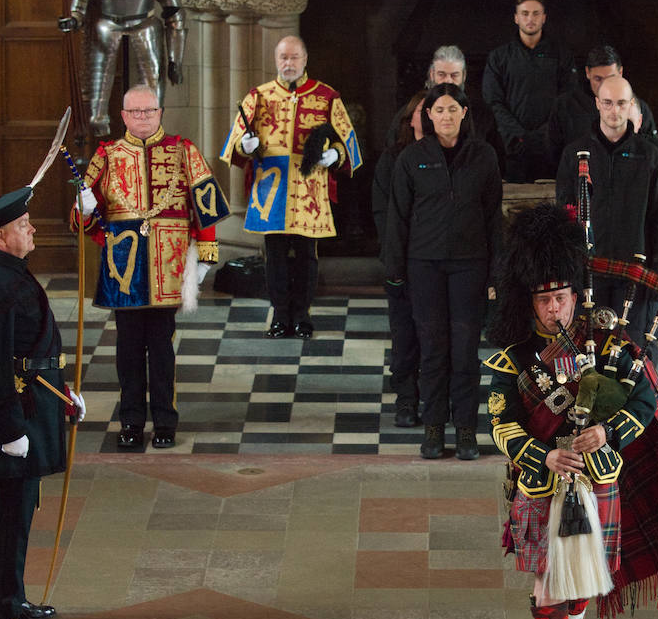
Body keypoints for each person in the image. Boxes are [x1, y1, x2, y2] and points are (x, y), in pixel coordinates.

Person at [485, 204, 658, 619]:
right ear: (530, 301)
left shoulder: (607, 343)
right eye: (543, 300)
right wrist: (542, 455)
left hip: (596, 477)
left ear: (575, 296)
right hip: (541, 481)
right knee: (547, 582)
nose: (553, 310)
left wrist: (609, 433)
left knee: (584, 574)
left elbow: (645, 400)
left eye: (560, 298)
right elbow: (500, 423)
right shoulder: (512, 358)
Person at [74, 85, 229, 450]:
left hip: (169, 264)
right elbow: (86, 220)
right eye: (135, 112)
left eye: (149, 111)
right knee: (128, 351)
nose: (142, 117)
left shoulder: (183, 150)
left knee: (161, 349)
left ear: (160, 112)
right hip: (124, 267)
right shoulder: (106, 155)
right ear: (123, 116)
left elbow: (204, 206)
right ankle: (130, 422)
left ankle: (165, 422)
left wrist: (205, 256)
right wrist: (83, 207)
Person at [0, 187, 85, 619]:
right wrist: (8, 430)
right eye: (22, 225)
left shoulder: (10, 272)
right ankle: (2, 610)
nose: (32, 229)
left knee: (20, 512)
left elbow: (33, 347)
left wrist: (63, 392)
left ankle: (14, 597)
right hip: (12, 415)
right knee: (11, 515)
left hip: (34, 401)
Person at [384, 83, 502, 461]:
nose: (446, 116)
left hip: (470, 265)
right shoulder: (411, 159)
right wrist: (395, 271)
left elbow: (493, 219)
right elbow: (397, 219)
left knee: (465, 351)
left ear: (464, 113)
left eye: (453, 109)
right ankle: (433, 430)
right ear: (427, 116)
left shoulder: (483, 156)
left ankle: (466, 431)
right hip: (425, 266)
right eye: (439, 110)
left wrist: (497, 273)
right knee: (433, 350)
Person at [221, 35, 362, 339]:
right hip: (272, 189)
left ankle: (302, 316)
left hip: (310, 188)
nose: (288, 63)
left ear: (305, 59)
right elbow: (234, 143)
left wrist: (335, 154)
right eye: (283, 57)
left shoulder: (326, 96)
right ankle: (279, 316)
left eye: (294, 57)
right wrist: (246, 146)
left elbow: (347, 139)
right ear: (276, 60)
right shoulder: (258, 96)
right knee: (275, 257)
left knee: (307, 258)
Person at [555, 74, 658, 335]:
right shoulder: (575, 153)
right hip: (588, 272)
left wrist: (657, 274)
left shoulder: (651, 157)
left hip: (636, 273)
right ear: (597, 103)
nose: (614, 110)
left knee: (633, 356)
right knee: (587, 355)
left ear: (631, 104)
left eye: (621, 103)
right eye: (608, 103)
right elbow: (564, 216)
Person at [57, 0, 184, 136]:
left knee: (152, 78)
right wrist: (72, 22)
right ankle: (99, 120)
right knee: (100, 80)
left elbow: (174, 14)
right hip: (108, 26)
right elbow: (78, 8)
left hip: (144, 25)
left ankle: (151, 125)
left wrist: (175, 59)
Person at [372, 90, 426, 429]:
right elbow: (383, 213)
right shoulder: (393, 159)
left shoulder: (452, 156)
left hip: (437, 261)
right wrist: (394, 258)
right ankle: (407, 398)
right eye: (423, 110)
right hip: (402, 261)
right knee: (404, 336)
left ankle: (438, 399)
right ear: (410, 117)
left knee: (438, 339)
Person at [482, 0, 574, 181]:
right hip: (512, 147)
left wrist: (543, 135)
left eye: (535, 13)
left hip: (551, 147)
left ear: (544, 18)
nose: (530, 18)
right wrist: (519, 134)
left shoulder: (561, 54)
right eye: (525, 13)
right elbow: (494, 101)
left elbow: (568, 98)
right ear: (516, 18)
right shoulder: (499, 57)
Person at [385, 45, 504, 170]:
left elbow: (496, 160)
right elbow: (392, 156)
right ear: (432, 75)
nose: (448, 81)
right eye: (442, 74)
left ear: (463, 76)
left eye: (454, 75)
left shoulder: (483, 115)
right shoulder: (412, 112)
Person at [548, 44, 658, 164]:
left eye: (611, 77)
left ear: (620, 72)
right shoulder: (565, 106)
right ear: (587, 73)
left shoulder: (636, 107)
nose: (605, 84)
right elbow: (553, 154)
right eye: (598, 79)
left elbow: (653, 151)